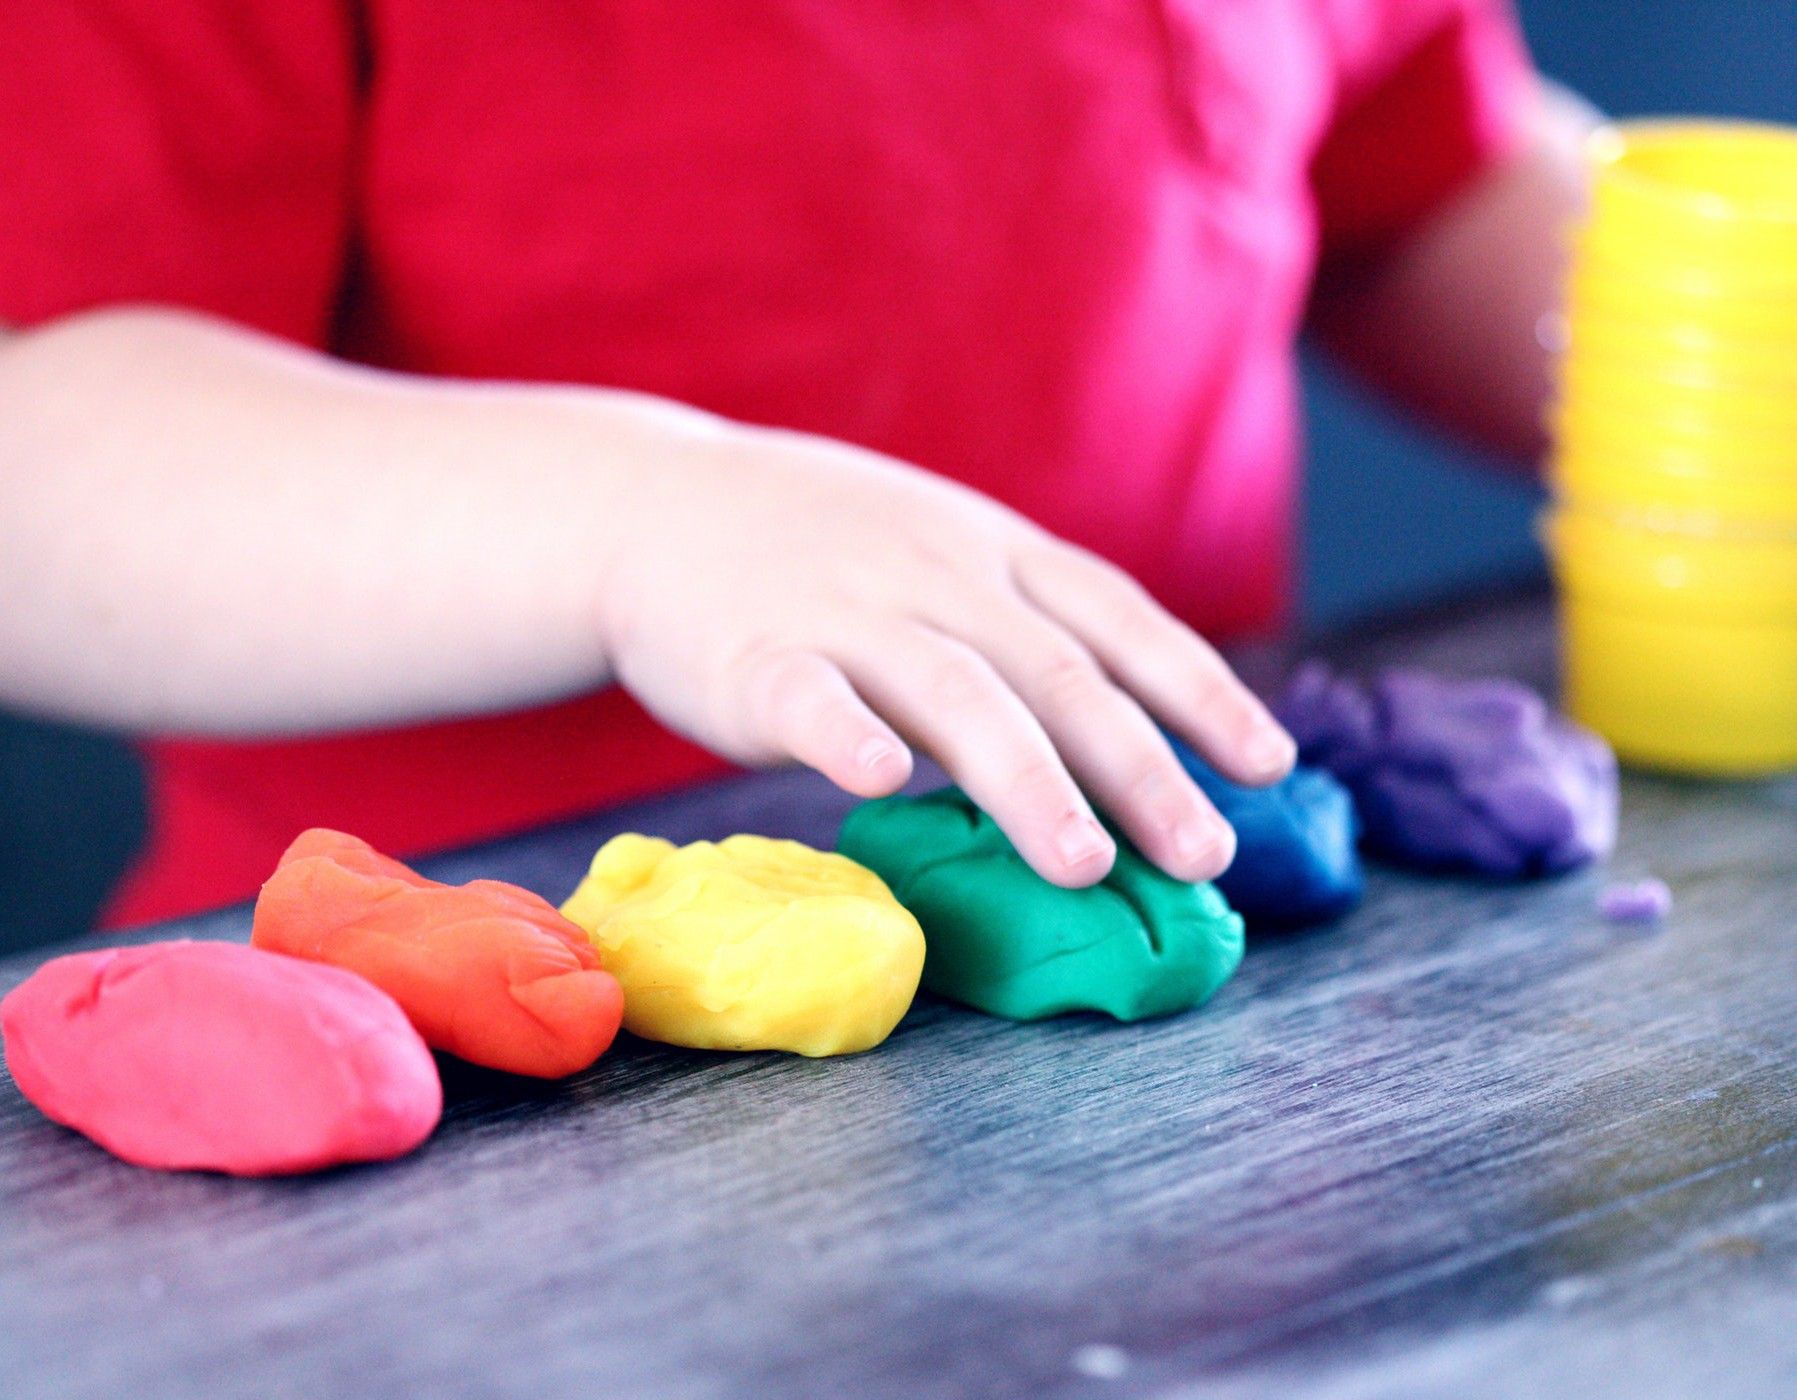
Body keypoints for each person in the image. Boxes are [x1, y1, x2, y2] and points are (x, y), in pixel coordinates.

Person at [0, 2, 1593, 927]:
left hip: (1179, 956)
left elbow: (1419, 184)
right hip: (467, 1046)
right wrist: (639, 529)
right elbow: (42, 472)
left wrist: (1698, 336)